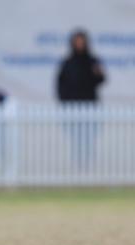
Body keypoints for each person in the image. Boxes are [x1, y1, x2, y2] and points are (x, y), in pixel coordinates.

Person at [56, 29, 106, 170]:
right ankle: (77, 167)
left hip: (90, 105)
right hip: (72, 107)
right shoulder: (67, 63)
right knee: (75, 140)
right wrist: (64, 102)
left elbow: (101, 80)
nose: (80, 45)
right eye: (77, 42)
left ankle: (88, 167)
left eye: (82, 42)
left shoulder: (92, 61)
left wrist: (98, 73)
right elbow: (60, 85)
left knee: (89, 140)